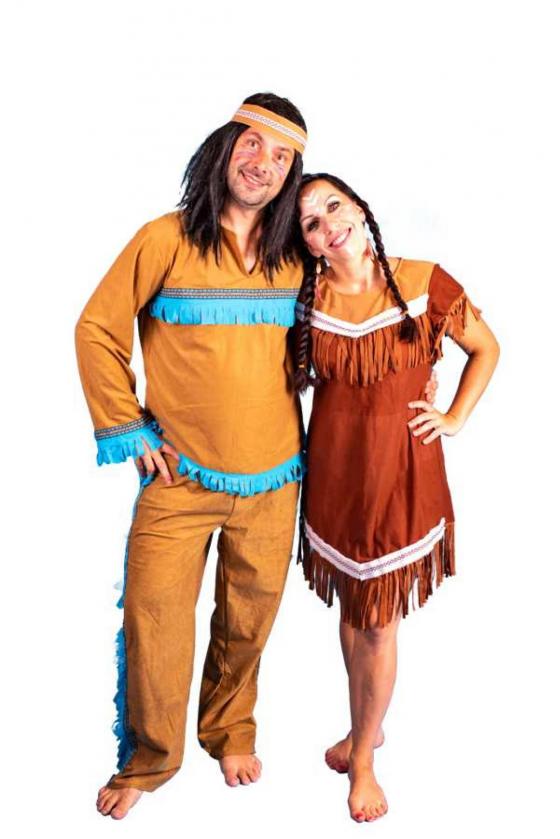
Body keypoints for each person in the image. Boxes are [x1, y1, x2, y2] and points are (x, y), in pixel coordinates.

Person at [75, 92, 310, 819]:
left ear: (292, 175)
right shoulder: (165, 238)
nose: (263, 163)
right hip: (179, 479)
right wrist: (131, 429)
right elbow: (97, 329)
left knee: (249, 621)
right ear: (224, 146)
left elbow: (358, 305)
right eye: (253, 143)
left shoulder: (297, 255)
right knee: (155, 620)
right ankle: (150, 758)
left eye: (281, 156)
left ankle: (230, 730)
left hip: (275, 477)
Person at [293, 173, 500, 823]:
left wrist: (454, 416)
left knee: (380, 620)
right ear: (308, 244)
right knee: (353, 610)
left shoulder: (422, 282)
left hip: (402, 475)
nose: (329, 224)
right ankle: (366, 725)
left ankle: (363, 760)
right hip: (334, 476)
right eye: (310, 222)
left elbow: (485, 347)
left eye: (334, 206)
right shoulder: (305, 300)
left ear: (359, 208)